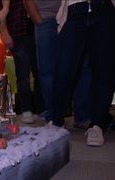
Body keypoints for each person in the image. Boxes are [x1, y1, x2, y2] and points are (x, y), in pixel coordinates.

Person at [54, 0, 115, 146]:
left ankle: (97, 125)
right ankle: (56, 122)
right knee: (64, 68)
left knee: (103, 70)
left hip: (104, 10)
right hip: (75, 10)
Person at [4, 0, 45, 123]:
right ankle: (26, 109)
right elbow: (3, 10)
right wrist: (5, 33)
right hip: (18, 32)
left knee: (40, 71)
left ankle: (42, 109)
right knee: (22, 75)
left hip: (37, 28)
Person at [23, 0, 61, 122]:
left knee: (73, 68)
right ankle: (53, 113)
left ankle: (78, 114)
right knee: (47, 70)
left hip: (70, 18)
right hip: (46, 19)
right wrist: (38, 20)